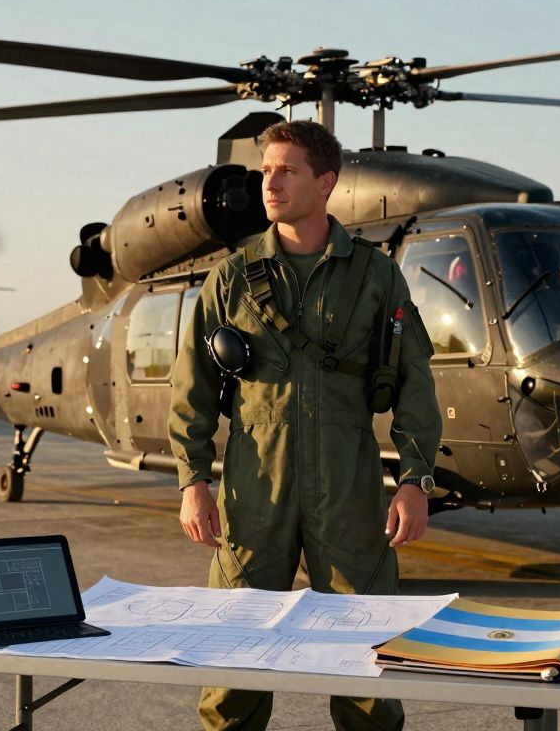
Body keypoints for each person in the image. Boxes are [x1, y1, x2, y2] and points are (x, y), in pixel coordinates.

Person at [167, 119, 443, 731]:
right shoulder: (232, 277)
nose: (270, 182)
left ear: (326, 183)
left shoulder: (376, 276)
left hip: (346, 486)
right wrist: (193, 480)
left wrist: (415, 479)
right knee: (235, 651)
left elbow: (415, 382)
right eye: (267, 170)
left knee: (363, 651)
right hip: (253, 485)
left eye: (287, 170)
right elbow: (193, 388)